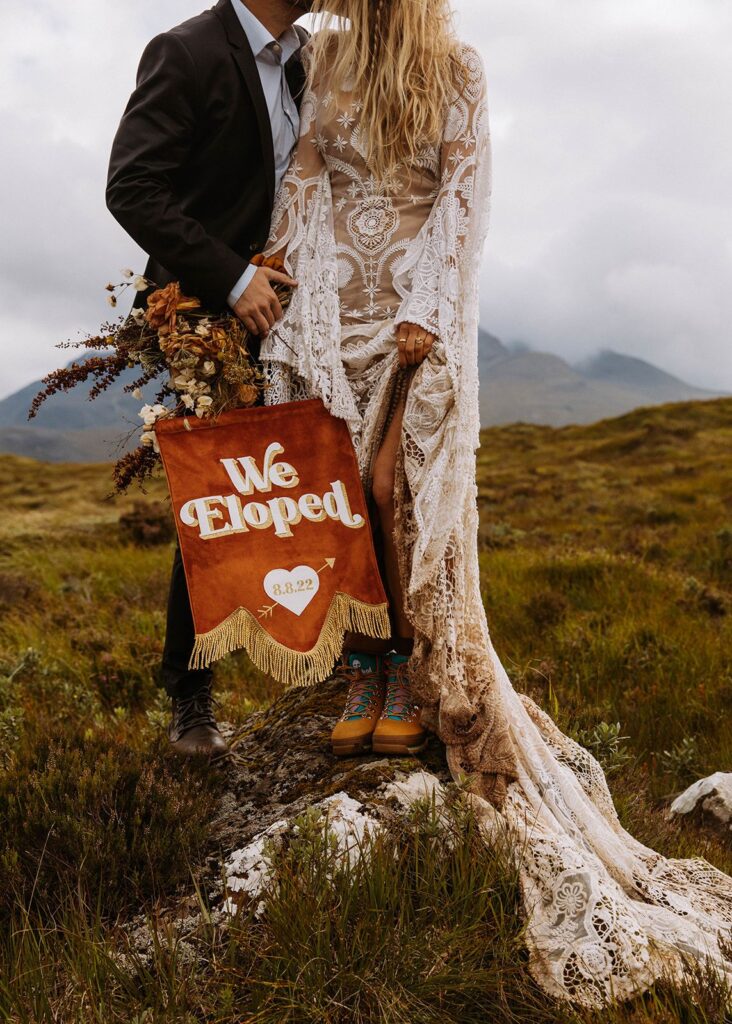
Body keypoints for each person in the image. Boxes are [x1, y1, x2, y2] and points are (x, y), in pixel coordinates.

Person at [260, 0, 732, 1007]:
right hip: (331, 310)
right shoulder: (327, 62)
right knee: (337, 499)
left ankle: (405, 670)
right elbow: (303, 186)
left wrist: (431, 306)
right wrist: (275, 278)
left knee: (392, 491)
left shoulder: (457, 68)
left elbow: (465, 202)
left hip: (415, 323)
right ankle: (371, 670)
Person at [106, 0, 311, 759]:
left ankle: (346, 666)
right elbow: (132, 186)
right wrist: (230, 279)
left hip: (299, 313)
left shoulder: (309, 59)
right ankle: (191, 697)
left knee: (315, 481)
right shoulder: (186, 52)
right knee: (216, 499)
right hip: (208, 313)